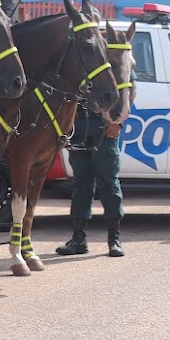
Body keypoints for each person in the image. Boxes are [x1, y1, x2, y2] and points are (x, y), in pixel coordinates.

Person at [55, 106, 125, 257]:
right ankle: (78, 239)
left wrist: (117, 122)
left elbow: (126, 90)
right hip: (78, 126)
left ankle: (114, 240)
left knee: (109, 185)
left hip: (104, 125)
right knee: (80, 185)